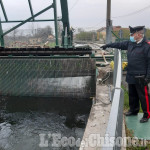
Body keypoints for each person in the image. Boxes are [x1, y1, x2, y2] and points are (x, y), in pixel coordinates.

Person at [101, 26, 150, 123]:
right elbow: (119, 44)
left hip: (141, 76)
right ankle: (133, 110)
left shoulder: (147, 46)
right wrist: (108, 45)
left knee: (143, 96)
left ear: (139, 34)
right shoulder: (130, 43)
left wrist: (148, 78)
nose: (130, 36)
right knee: (132, 94)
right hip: (131, 73)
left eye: (132, 34)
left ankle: (146, 114)